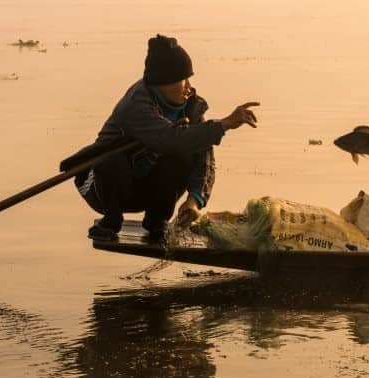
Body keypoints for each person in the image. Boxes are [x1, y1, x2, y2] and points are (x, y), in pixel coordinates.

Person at [64, 34, 259, 242]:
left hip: (147, 189)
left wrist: (193, 201)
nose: (188, 86)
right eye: (182, 79)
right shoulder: (136, 106)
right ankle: (111, 221)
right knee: (113, 158)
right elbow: (171, 139)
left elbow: (204, 159)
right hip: (103, 188)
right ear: (162, 82)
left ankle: (157, 222)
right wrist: (225, 124)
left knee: (185, 154)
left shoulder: (190, 106)